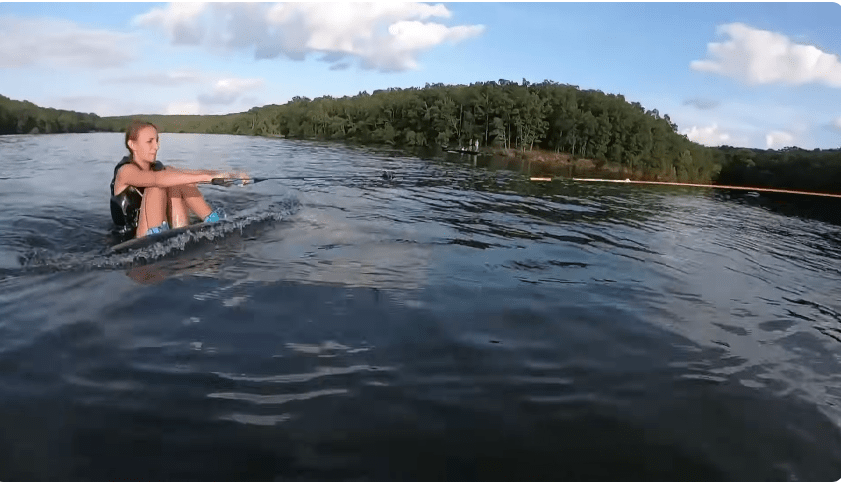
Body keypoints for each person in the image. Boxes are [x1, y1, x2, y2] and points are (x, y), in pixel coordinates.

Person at [110, 120, 248, 239]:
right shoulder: (125, 171)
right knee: (160, 182)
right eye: (149, 142)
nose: (156, 147)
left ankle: (214, 221)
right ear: (132, 145)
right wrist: (206, 177)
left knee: (175, 177)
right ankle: (157, 236)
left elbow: (193, 174)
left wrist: (228, 176)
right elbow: (156, 180)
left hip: (164, 227)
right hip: (135, 238)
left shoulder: (159, 169)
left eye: (157, 141)